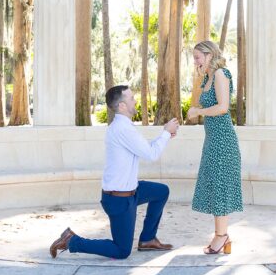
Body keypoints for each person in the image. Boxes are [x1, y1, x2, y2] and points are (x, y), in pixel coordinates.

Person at [49, 84, 180, 259]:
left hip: (132, 191)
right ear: (122, 106)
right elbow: (151, 154)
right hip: (119, 199)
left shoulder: (124, 127)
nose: (135, 101)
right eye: (131, 98)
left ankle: (148, 239)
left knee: (161, 191)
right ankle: (72, 241)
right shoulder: (122, 129)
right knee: (121, 251)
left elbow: (146, 149)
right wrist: (166, 132)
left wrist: (164, 136)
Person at [185, 40, 243, 255]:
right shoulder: (208, 77)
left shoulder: (220, 74)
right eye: (195, 58)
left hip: (223, 140)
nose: (195, 61)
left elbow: (223, 107)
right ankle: (221, 234)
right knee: (215, 186)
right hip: (212, 139)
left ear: (210, 55)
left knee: (220, 187)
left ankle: (222, 236)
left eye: (198, 57)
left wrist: (198, 111)